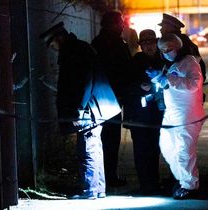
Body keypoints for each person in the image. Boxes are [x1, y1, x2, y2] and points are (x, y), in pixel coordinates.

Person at [39, 21, 121, 199]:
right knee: (94, 147)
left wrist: (79, 108)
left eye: (52, 44)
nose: (53, 48)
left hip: (90, 109)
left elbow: (84, 81)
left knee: (87, 148)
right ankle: (98, 188)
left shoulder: (73, 52)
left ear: (59, 38)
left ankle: (90, 190)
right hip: (95, 106)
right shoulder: (78, 48)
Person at [148, 33, 205, 200]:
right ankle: (183, 180)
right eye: (162, 50)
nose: (165, 52)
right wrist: (159, 80)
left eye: (168, 49)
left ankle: (190, 185)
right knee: (167, 147)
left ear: (178, 47)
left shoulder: (189, 62)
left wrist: (167, 80)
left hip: (187, 115)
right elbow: (170, 83)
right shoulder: (174, 63)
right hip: (173, 113)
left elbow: (193, 84)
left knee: (184, 150)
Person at [91, 11, 132, 188]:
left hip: (99, 98)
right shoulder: (116, 44)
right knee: (111, 139)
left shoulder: (97, 43)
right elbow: (124, 70)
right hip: (112, 98)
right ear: (111, 24)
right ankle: (110, 176)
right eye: (120, 23)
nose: (122, 26)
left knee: (102, 139)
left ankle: (104, 177)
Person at [122, 29, 165, 195]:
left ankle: (154, 182)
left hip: (157, 114)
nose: (149, 46)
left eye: (152, 42)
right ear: (141, 45)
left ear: (156, 43)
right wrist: (139, 87)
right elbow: (125, 86)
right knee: (141, 150)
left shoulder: (162, 60)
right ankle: (145, 184)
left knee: (154, 149)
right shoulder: (135, 62)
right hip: (138, 116)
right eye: (145, 43)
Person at [158, 13, 206, 82]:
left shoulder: (183, 42)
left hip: (183, 84)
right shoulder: (167, 42)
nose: (161, 30)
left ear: (170, 28)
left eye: (163, 27)